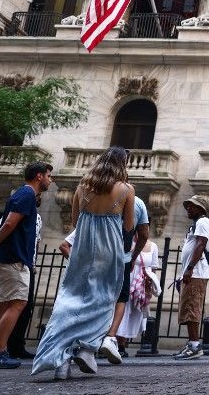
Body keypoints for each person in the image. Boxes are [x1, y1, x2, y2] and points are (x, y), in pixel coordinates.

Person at [32, 147, 135, 380]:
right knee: (104, 298)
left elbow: (75, 221)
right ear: (122, 164)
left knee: (71, 298)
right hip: (109, 248)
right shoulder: (126, 190)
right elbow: (128, 226)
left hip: (84, 248)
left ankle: (61, 359)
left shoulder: (82, 186)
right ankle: (88, 347)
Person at [0, 161, 52, 369]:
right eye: (48, 176)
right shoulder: (26, 194)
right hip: (14, 259)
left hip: (7, 258)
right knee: (18, 302)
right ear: (39, 176)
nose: (50, 180)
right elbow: (9, 223)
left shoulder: (23, 195)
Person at [0, 193, 43, 359]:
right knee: (10, 305)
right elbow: (1, 229)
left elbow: (36, 242)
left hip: (26, 264)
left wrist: (33, 263)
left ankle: (13, 346)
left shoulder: (37, 217)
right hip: (13, 261)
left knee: (23, 306)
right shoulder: (19, 207)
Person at [98, 194, 150, 364]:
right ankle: (110, 337)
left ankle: (91, 341)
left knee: (97, 298)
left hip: (98, 257)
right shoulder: (137, 202)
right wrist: (133, 256)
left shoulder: (96, 196)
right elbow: (143, 234)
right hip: (122, 258)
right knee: (120, 298)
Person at [172, 195, 209, 361]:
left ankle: (194, 346)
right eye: (188, 206)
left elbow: (200, 245)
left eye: (192, 206)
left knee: (191, 308)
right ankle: (192, 344)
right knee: (188, 308)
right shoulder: (196, 225)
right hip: (193, 273)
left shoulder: (203, 222)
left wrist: (190, 269)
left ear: (201, 209)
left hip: (196, 273)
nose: (188, 209)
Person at [115, 237, 160, 352]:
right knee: (122, 309)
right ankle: (115, 342)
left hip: (141, 284)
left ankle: (122, 344)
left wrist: (150, 285)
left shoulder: (153, 246)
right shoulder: (127, 242)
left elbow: (153, 268)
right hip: (127, 278)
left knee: (133, 313)